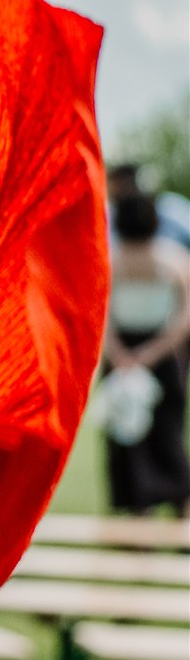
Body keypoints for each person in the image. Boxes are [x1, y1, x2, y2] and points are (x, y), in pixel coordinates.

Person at [100, 193, 190, 516]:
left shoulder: (110, 259)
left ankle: (142, 516)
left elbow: (101, 313)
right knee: (166, 437)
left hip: (127, 353)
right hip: (163, 355)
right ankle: (181, 512)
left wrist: (121, 354)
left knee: (134, 443)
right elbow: (183, 319)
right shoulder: (177, 260)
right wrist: (149, 354)